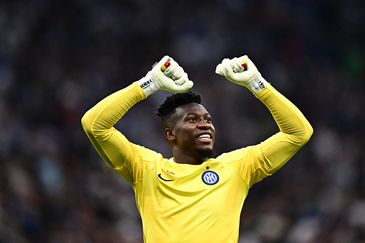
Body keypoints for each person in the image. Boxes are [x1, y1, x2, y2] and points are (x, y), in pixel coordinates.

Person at [81, 55, 313, 243]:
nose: (205, 124)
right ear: (170, 134)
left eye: (208, 119)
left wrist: (258, 85)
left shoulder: (236, 168)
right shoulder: (146, 168)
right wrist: (148, 84)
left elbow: (298, 133)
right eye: (192, 119)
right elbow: (94, 125)